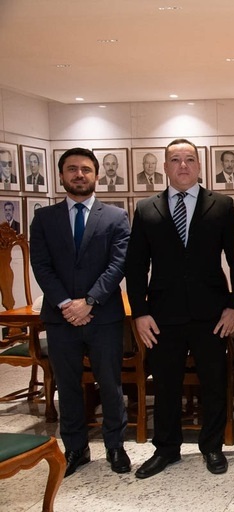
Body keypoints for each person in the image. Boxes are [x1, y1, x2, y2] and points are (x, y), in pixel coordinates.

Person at [126, 138, 234, 479]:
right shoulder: (147, 209)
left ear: (199, 165)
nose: (183, 165)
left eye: (189, 159)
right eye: (175, 160)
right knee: (165, 385)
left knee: (214, 383)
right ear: (165, 167)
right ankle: (166, 449)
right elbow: (135, 266)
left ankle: (212, 446)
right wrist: (140, 312)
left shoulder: (222, 205)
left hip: (212, 314)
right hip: (163, 316)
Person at [29, 147, 131, 477]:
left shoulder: (115, 216)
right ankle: (75, 449)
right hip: (61, 319)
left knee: (110, 384)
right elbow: (41, 265)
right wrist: (65, 304)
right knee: (67, 385)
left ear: (96, 175)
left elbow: (118, 264)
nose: (79, 174)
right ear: (61, 175)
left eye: (85, 169)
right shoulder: (44, 218)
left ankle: (115, 446)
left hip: (104, 316)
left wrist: (89, 301)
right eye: (72, 169)